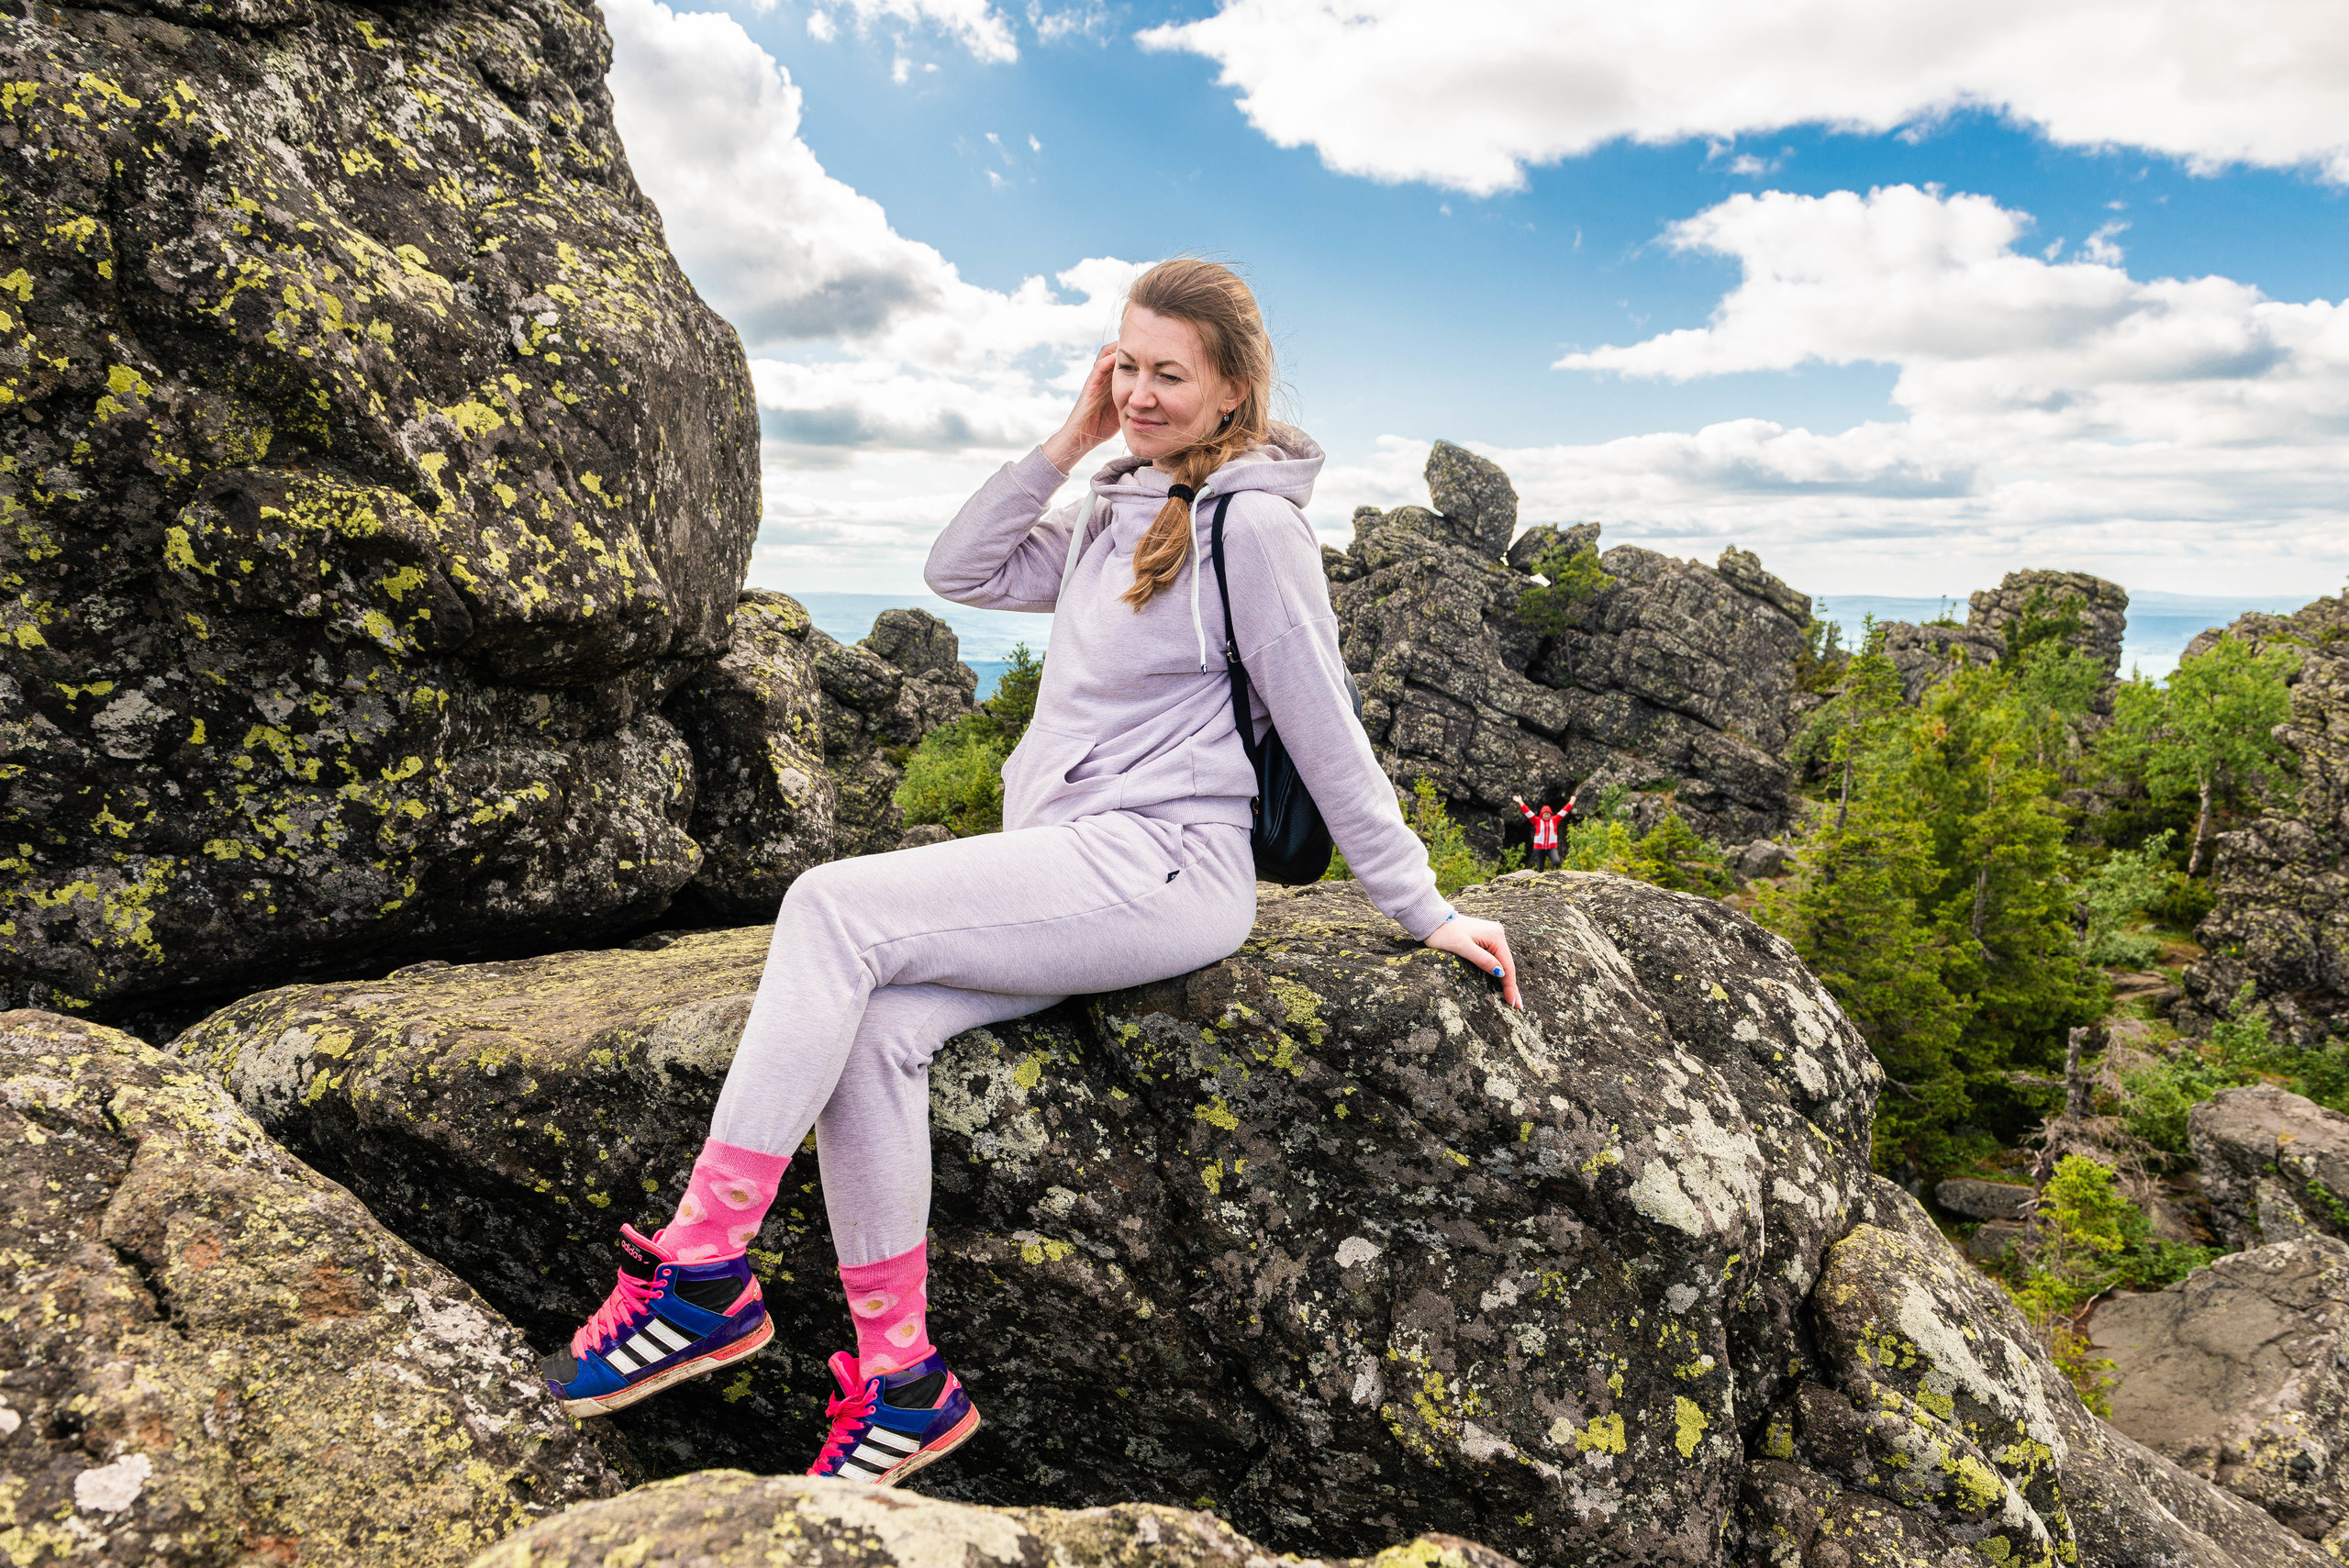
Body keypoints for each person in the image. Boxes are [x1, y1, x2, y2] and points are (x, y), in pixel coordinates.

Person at [538, 258, 1521, 1487]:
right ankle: (902, 1379)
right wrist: (1071, 439)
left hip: (1166, 867)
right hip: (1069, 868)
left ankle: (699, 1268)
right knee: (875, 1033)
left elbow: (1326, 725)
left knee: (829, 907)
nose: (1142, 392)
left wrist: (1421, 907)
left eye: (1171, 375)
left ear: (1233, 390)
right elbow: (959, 570)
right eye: (1128, 366)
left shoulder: (1257, 527)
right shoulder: (1117, 500)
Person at [1513, 794, 1563, 870]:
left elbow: (1564, 811)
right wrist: (1520, 802)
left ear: (1551, 814)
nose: (1547, 816)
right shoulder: (1537, 821)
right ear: (1542, 815)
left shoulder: (1555, 820)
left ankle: (1558, 874)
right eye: (1545, 814)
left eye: (1548, 814)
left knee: (1556, 862)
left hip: (1551, 847)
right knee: (1540, 867)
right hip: (1539, 847)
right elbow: (1528, 812)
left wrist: (1572, 801)